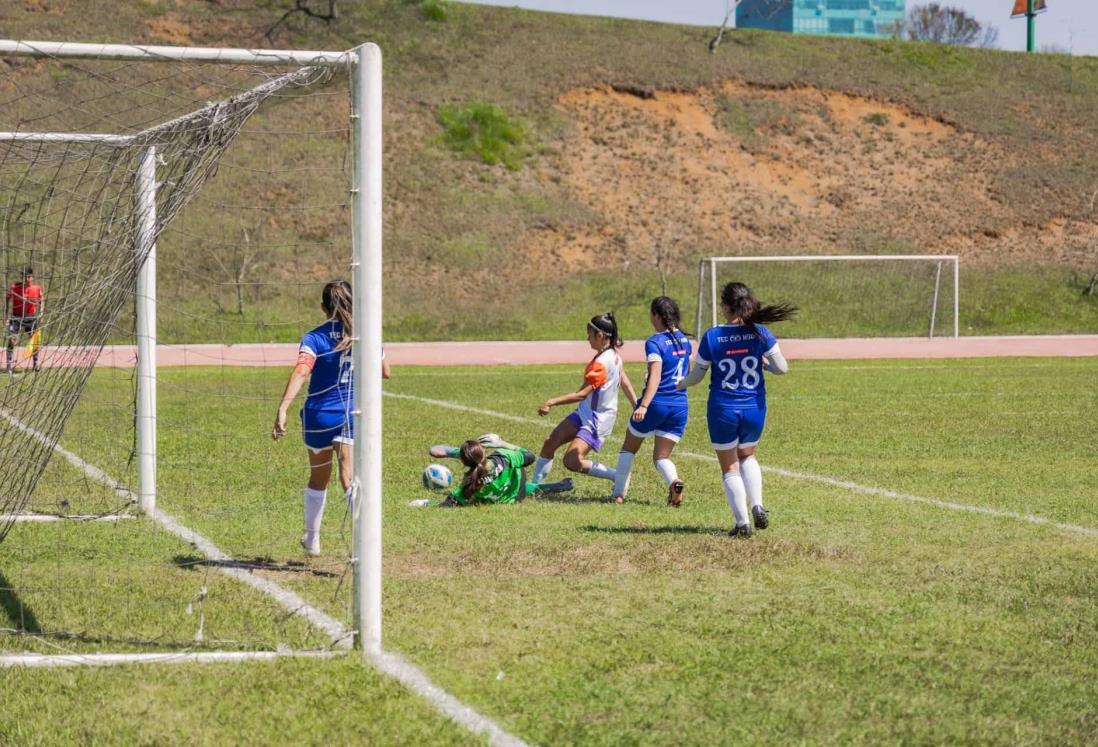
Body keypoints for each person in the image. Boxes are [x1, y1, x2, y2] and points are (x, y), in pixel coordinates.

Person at [271, 279, 390, 556]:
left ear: (323, 307)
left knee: (318, 479)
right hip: (349, 413)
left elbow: (302, 371)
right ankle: (367, 543)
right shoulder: (366, 334)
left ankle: (312, 541)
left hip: (317, 417)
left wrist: (283, 407)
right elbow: (385, 372)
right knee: (348, 477)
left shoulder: (314, 337)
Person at [677, 282, 794, 538]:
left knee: (729, 467)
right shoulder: (760, 332)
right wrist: (765, 366)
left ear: (727, 307)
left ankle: (742, 524)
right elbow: (782, 368)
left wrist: (682, 383)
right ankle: (758, 504)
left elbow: (697, 375)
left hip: (723, 409)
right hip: (754, 407)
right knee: (747, 455)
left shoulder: (713, 335)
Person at [532, 312, 637, 491]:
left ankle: (617, 476)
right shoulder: (612, 355)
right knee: (551, 441)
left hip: (598, 420)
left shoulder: (603, 362)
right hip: (585, 412)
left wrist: (551, 402)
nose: (587, 338)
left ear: (600, 336)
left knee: (571, 461)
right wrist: (637, 406)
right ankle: (535, 486)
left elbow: (581, 394)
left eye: (589, 334)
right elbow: (624, 381)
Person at [610, 296, 692, 506]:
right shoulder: (685, 340)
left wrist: (644, 405)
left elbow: (655, 376)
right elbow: (687, 372)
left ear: (657, 316)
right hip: (680, 405)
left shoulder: (654, 342)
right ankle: (674, 481)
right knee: (661, 457)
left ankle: (618, 494)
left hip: (657, 403)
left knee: (629, 448)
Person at [427, 434, 574, 506]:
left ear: (464, 461)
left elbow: (435, 450)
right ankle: (540, 487)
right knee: (515, 467)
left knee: (481, 494)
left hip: (503, 501)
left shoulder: (468, 484)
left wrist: (426, 503)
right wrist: (502, 443)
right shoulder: (503, 456)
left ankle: (538, 488)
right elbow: (529, 456)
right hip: (518, 492)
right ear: (483, 451)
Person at [6, 266, 44, 375]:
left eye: (28, 277)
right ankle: (9, 366)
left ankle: (36, 365)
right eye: (23, 277)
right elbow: (7, 299)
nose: (26, 279)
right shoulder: (15, 288)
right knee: (12, 339)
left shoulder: (37, 288)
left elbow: (42, 301)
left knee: (36, 341)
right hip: (17, 317)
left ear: (32, 277)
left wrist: (41, 313)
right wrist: (6, 316)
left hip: (31, 317)